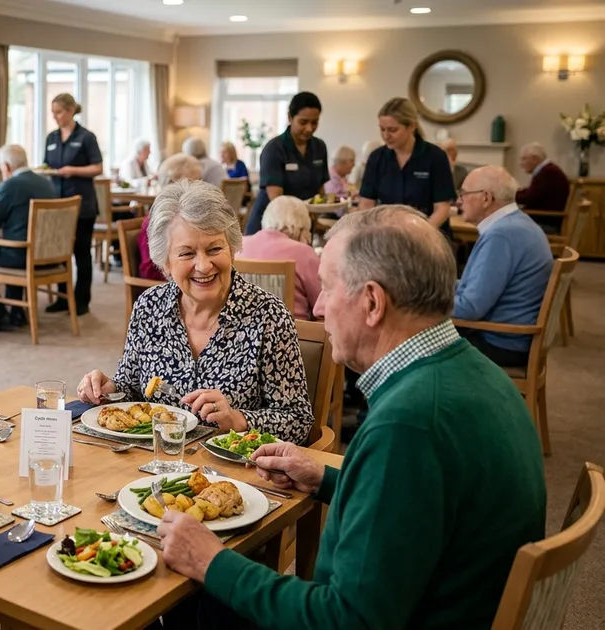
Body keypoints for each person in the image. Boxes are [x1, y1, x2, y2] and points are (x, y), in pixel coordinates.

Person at [155, 205, 546, 629]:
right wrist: (326, 478)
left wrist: (212, 562)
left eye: (327, 287)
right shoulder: (478, 373)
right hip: (444, 599)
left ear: (373, 302)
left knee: (194, 598)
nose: (319, 307)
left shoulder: (409, 423)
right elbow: (414, 495)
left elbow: (347, 621)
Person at [78, 180, 314, 444]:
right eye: (187, 253)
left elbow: (297, 420)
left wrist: (238, 420)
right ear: (165, 263)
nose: (203, 265)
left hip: (230, 473)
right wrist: (108, 389)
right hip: (156, 464)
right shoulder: (148, 307)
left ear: (232, 249)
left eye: (214, 249)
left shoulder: (268, 316)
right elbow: (132, 387)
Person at [454, 166, 553, 367]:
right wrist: (430, 289)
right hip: (508, 335)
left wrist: (418, 305)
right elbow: (473, 287)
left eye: (463, 194)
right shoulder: (516, 223)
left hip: (500, 342)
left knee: (409, 339)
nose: (458, 201)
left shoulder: (501, 235)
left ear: (485, 198)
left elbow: (469, 308)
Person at [0, 144, 57, 332]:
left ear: (6, 166)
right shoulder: (46, 182)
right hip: (51, 257)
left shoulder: (11, 184)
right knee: (13, 241)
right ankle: (16, 311)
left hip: (22, 257)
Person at [358, 97, 456, 240]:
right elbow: (366, 203)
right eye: (382, 129)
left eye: (393, 130)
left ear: (411, 126)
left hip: (429, 238)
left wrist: (419, 234)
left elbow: (442, 208)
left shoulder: (435, 157)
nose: (386, 136)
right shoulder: (376, 158)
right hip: (389, 237)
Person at [44, 93, 103, 316]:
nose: (55, 116)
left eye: (58, 112)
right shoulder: (51, 138)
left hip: (82, 205)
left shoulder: (86, 137)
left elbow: (97, 168)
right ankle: (63, 297)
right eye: (53, 112)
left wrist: (73, 171)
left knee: (81, 252)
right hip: (56, 206)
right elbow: (46, 165)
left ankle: (81, 301)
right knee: (60, 253)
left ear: (70, 111)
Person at [245, 92, 329, 236]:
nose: (309, 128)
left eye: (314, 122)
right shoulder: (274, 149)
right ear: (290, 118)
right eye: (303, 122)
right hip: (273, 224)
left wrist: (318, 214)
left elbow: (320, 191)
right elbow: (277, 200)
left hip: (303, 224)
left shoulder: (319, 147)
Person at [239, 195, 322, 320]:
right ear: (301, 228)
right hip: (295, 335)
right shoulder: (305, 253)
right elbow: (321, 306)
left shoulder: (239, 246)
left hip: (243, 333)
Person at [136, 154, 203, 282]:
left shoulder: (191, 215)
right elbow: (149, 270)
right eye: (196, 182)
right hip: (163, 288)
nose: (200, 187)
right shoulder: (157, 220)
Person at [516, 142, 570, 234]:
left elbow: (529, 198)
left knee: (505, 227)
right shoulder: (547, 170)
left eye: (524, 159)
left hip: (546, 223)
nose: (521, 164)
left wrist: (509, 195)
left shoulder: (548, 173)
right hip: (543, 219)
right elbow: (532, 192)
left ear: (535, 159)